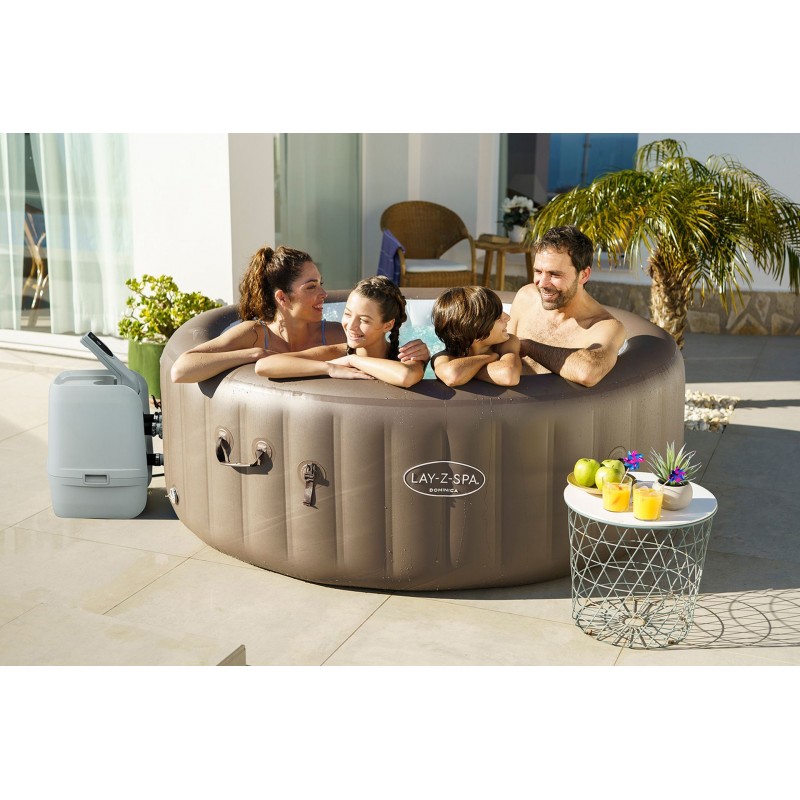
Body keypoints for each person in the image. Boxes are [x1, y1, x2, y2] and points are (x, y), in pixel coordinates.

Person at [170, 246, 429, 383]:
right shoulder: (254, 334)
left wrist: (423, 355)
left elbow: (380, 348)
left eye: (321, 283)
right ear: (282, 298)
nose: (324, 294)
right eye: (311, 287)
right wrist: (253, 354)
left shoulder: (339, 334)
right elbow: (180, 370)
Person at [255, 275, 425, 388]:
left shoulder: (405, 357)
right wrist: (329, 368)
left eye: (364, 320)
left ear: (387, 325)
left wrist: (353, 360)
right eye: (348, 314)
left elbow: (405, 376)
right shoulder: (336, 353)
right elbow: (264, 365)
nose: (351, 325)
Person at [508, 225, 626, 387]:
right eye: (538, 271)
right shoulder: (526, 297)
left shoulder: (604, 326)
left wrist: (528, 346)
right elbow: (502, 354)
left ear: (584, 275)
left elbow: (588, 372)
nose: (542, 283)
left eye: (555, 274)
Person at [430, 286, 521, 387]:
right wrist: (489, 357)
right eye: (498, 316)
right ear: (477, 329)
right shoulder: (442, 357)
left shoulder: (508, 343)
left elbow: (509, 376)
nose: (508, 317)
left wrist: (468, 371)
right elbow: (453, 376)